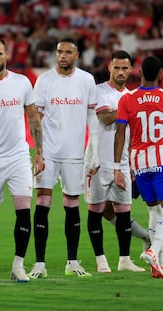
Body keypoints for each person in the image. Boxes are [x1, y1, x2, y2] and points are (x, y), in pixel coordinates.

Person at [29, 38, 98, 279]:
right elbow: (36, 118)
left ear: (77, 54)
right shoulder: (44, 80)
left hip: (74, 154)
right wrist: (38, 152)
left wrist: (94, 150)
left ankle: (72, 261)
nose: (63, 56)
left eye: (68, 52)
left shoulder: (87, 80)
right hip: (48, 153)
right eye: (59, 52)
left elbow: (92, 118)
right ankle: (39, 263)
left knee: (72, 205)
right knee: (42, 205)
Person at [0, 38, 44, 283]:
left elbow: (34, 119)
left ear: (7, 54)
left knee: (24, 212)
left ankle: (18, 266)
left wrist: (39, 152)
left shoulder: (22, 82)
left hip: (18, 157)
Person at [84, 50, 145, 273]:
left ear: (131, 70)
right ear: (109, 67)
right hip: (98, 162)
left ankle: (124, 259)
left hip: (122, 163)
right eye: (117, 68)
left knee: (123, 211)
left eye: (125, 68)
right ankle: (101, 261)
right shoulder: (99, 92)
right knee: (96, 210)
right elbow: (106, 117)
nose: (120, 72)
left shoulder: (130, 95)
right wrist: (128, 107)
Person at [114, 55, 163, 278]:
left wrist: (118, 165)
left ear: (139, 72)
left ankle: (157, 264)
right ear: (161, 75)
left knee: (154, 209)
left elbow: (120, 134)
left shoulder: (127, 99)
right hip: (161, 158)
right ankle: (154, 250)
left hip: (139, 162)